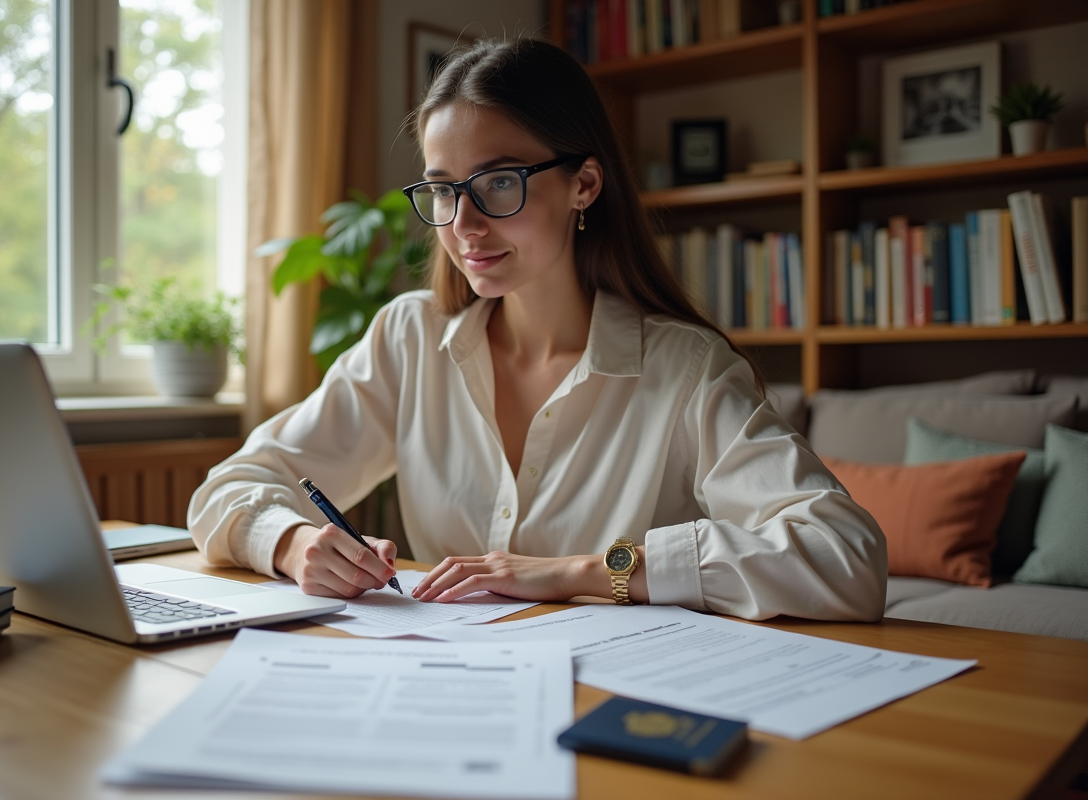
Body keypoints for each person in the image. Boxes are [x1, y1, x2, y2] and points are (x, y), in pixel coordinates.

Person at [188, 37, 887, 621]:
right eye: (442, 189)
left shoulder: (684, 369)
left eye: (498, 183)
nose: (463, 225)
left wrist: (582, 572)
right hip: (440, 687)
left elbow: (846, 556)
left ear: (583, 184)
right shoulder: (409, 340)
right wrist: (292, 541)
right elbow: (228, 488)